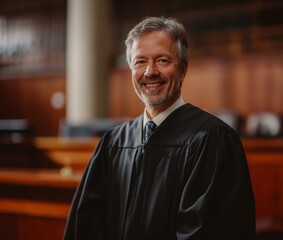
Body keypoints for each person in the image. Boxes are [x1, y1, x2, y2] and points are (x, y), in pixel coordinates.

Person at [64, 16, 256, 240]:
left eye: (163, 60)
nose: (150, 72)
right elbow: (85, 226)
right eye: (140, 62)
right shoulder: (114, 143)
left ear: (183, 70)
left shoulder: (211, 140)